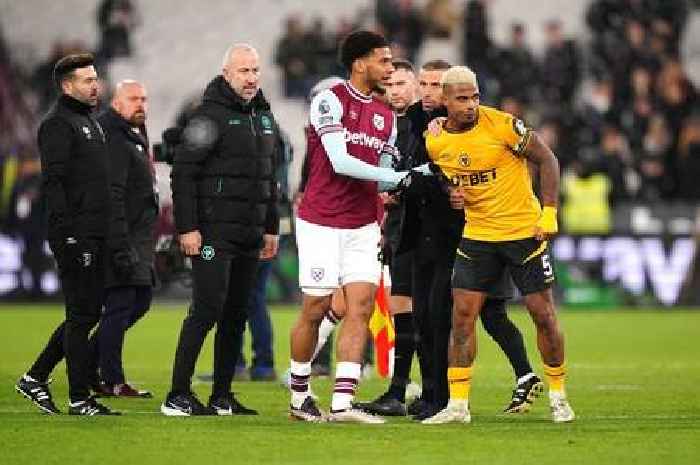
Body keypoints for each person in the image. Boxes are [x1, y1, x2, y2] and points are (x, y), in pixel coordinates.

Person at [421, 66, 575, 424]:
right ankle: (458, 406)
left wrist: (549, 212)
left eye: (475, 96)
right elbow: (446, 178)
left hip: (524, 233)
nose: (471, 104)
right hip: (478, 236)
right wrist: (452, 193)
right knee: (462, 319)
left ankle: (559, 395)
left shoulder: (504, 125)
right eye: (461, 99)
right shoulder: (436, 141)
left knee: (543, 315)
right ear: (445, 101)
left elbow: (547, 159)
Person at [399, 60, 542, 420]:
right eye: (424, 84)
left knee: (472, 313)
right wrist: (446, 189)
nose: (428, 91)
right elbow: (436, 173)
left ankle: (448, 397)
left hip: (481, 232)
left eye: (435, 84)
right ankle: (438, 394)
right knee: (445, 315)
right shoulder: (421, 126)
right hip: (439, 234)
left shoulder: (480, 125)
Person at [287, 30, 418, 424]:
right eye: (384, 60)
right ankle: (299, 396)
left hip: (362, 223)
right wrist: (403, 178)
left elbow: (382, 177)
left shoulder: (386, 118)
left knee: (359, 308)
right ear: (360, 64)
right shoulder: (329, 101)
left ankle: (343, 404)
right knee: (316, 308)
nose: (390, 68)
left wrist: (416, 176)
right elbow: (341, 162)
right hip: (320, 221)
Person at [161, 43, 279, 416]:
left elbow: (268, 177)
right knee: (207, 309)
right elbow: (183, 172)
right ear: (226, 74)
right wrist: (188, 228)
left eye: (255, 71)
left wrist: (271, 226)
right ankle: (177, 394)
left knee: (236, 313)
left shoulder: (263, 116)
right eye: (243, 71)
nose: (251, 78)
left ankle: (222, 395)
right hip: (212, 233)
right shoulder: (207, 117)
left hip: (249, 233)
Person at [15, 53, 119, 415]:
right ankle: (79, 398)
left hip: (96, 231)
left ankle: (36, 377)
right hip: (77, 234)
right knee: (82, 315)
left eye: (95, 79)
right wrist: (70, 236)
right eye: (87, 80)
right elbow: (54, 183)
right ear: (66, 86)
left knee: (87, 313)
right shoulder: (58, 124)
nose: (95, 85)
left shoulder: (87, 121)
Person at [353, 59, 420, 416]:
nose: (395, 91)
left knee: (426, 312)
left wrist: (400, 188)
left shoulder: (426, 125)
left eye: (402, 84)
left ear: (416, 86)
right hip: (396, 226)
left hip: (423, 229)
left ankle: (436, 391)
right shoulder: (386, 125)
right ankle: (400, 390)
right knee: (402, 309)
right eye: (390, 85)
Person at [87, 80, 157, 398]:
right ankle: (111, 378)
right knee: (121, 305)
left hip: (137, 236)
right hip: (122, 235)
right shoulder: (115, 137)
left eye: (143, 98)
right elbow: (113, 194)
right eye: (133, 99)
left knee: (138, 301)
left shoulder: (132, 132)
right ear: (116, 103)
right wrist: (119, 242)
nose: (140, 104)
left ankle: (89, 363)